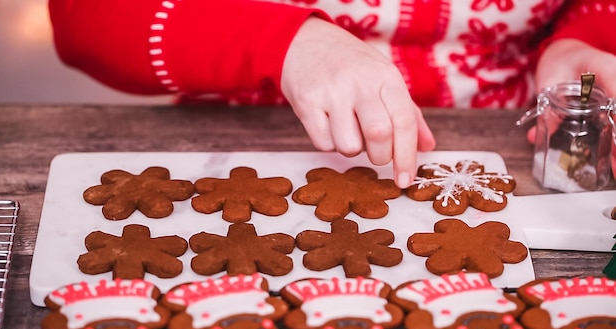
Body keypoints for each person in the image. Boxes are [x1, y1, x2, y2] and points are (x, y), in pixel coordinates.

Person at [47, 0, 616, 188]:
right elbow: (85, 19)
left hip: (515, 150)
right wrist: (281, 42)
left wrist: (574, 48)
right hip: (247, 144)